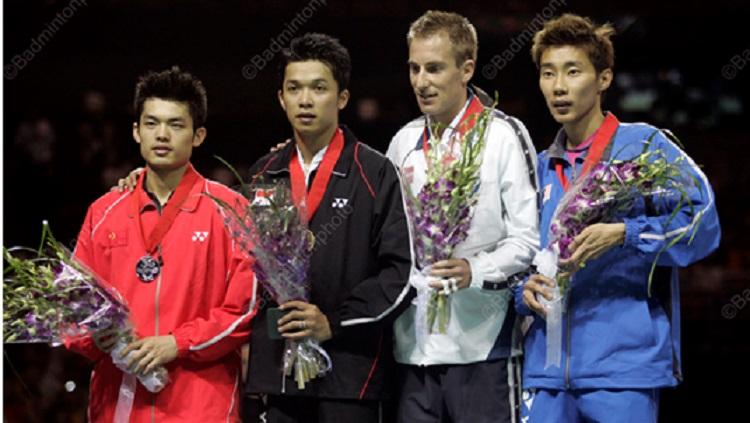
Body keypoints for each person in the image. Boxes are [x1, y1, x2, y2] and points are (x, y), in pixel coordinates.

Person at [515, 14, 721, 423]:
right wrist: (522, 291)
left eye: (573, 72)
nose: (558, 86)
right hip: (544, 373)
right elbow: (513, 256)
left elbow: (704, 223)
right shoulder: (535, 168)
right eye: (548, 73)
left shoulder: (645, 147)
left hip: (623, 370)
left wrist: (626, 234)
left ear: (604, 78)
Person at [66, 66, 257, 422]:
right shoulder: (103, 211)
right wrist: (94, 337)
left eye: (176, 124)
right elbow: (74, 303)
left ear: (198, 135)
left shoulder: (230, 210)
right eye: (151, 123)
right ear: (136, 131)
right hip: (117, 403)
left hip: (200, 405)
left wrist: (177, 343)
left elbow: (243, 311)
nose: (162, 135)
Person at [243, 33, 412, 423]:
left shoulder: (374, 172)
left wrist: (333, 323)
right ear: (281, 98)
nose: (305, 99)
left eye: (319, 88)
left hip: (351, 374)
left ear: (342, 98)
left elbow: (399, 273)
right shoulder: (264, 175)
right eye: (294, 88)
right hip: (279, 374)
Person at [386, 11, 540, 423]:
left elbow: (528, 241)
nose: (421, 81)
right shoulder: (402, 143)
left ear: (467, 69)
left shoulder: (504, 134)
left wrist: (475, 269)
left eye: (434, 68)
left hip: (483, 345)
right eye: (414, 68)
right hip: (413, 348)